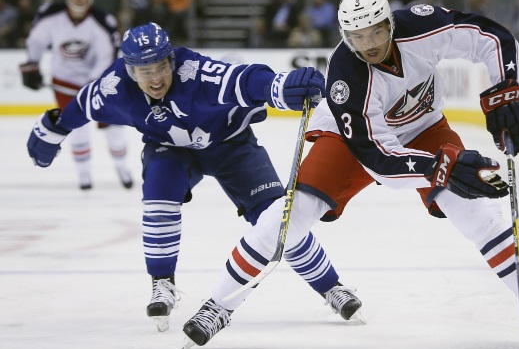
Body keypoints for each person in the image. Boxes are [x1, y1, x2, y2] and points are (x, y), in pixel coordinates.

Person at [180, 0, 519, 349]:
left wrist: (504, 90)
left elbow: (490, 36)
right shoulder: (346, 77)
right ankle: (218, 305)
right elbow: (380, 160)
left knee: (476, 211)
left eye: (375, 31)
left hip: (424, 127)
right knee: (287, 217)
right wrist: (444, 166)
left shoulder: (422, 26)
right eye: (356, 35)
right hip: (351, 141)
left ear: (390, 22)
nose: (368, 44)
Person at [26, 21, 364, 333]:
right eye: (145, 70)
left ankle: (331, 287)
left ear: (171, 60)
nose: (155, 78)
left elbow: (244, 80)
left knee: (277, 221)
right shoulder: (115, 87)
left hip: (232, 146)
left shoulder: (197, 74)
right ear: (130, 70)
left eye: (161, 66)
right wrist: (53, 128)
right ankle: (162, 283)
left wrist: (279, 87)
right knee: (159, 194)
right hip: (170, 150)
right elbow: (83, 104)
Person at [20, 0, 133, 190]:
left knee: (114, 128)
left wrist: (93, 85)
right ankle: (84, 177)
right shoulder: (51, 16)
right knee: (75, 128)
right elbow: (36, 40)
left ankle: (123, 169)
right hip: (66, 82)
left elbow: (107, 56)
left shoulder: (102, 21)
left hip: (100, 84)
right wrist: (32, 64)